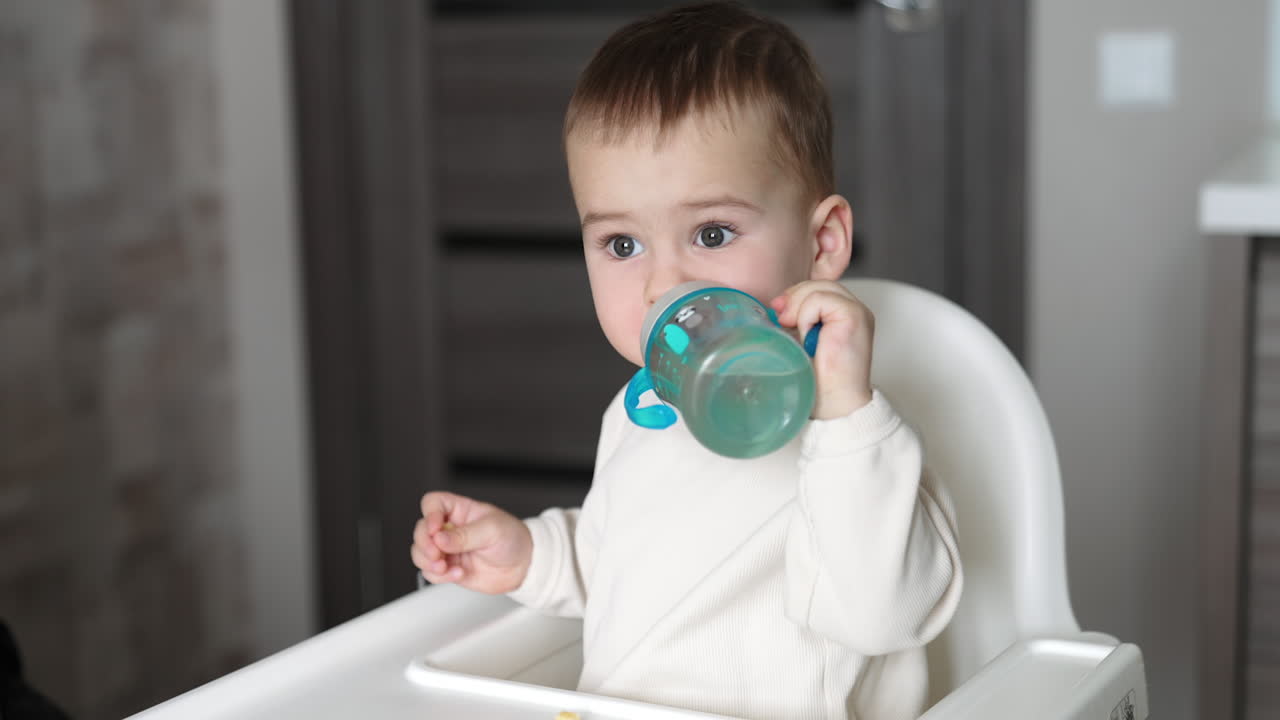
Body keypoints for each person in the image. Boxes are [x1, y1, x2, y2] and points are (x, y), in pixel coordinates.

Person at [411, 3, 962, 718]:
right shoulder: (640, 412)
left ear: (822, 243)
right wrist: (529, 554)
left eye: (710, 232)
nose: (662, 285)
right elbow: (630, 566)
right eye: (621, 245)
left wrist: (846, 414)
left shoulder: (856, 446)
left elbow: (882, 611)